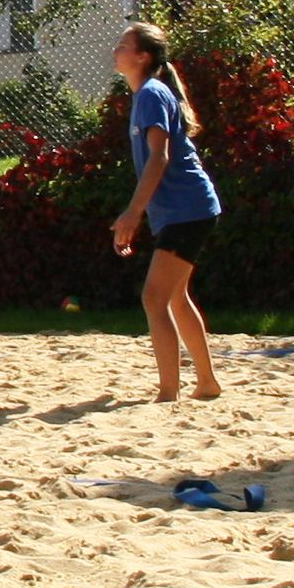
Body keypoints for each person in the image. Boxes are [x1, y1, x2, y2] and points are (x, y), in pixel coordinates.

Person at [111, 21, 222, 402]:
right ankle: (206, 383)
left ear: (142, 56)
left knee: (154, 298)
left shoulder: (151, 94)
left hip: (187, 208)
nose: (117, 49)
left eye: (124, 45)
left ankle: (168, 391)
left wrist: (132, 213)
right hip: (187, 208)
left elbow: (160, 158)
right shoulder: (147, 94)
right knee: (175, 297)